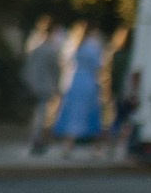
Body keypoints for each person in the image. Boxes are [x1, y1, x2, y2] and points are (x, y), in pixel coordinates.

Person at [53, 19, 106, 154]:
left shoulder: (74, 44)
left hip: (75, 81)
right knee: (92, 113)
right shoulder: (93, 46)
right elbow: (98, 66)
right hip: (88, 81)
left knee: (72, 113)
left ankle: (67, 145)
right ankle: (96, 148)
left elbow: (65, 62)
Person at [20, 16, 63, 154]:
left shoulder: (35, 47)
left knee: (37, 115)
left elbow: (27, 67)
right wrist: (56, 87)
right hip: (44, 86)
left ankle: (35, 139)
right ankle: (37, 141)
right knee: (41, 115)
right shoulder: (50, 50)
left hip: (33, 84)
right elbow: (55, 70)